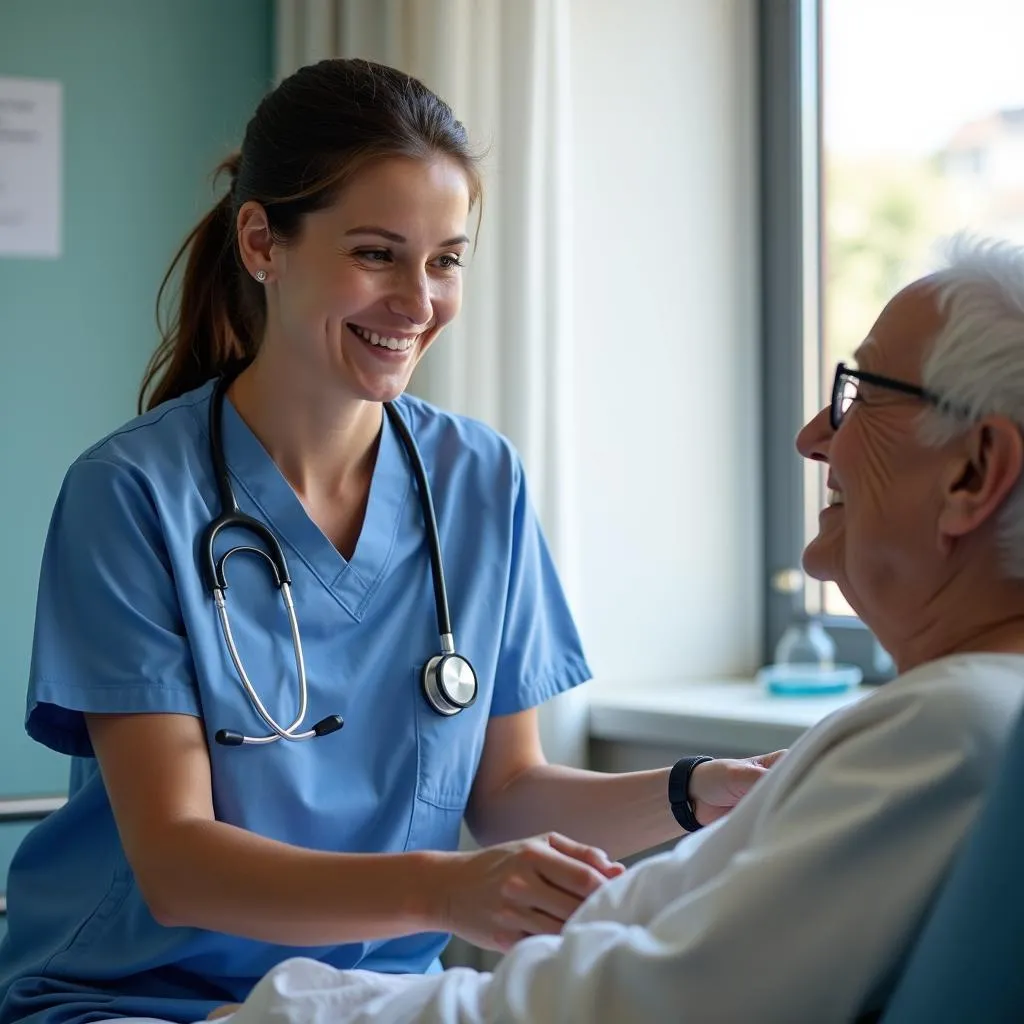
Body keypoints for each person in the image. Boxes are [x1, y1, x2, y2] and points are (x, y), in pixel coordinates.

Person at [0, 58, 780, 1024]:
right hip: (141, 1000)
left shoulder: (476, 480)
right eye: (377, 253)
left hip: (373, 1000)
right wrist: (444, 891)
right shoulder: (130, 498)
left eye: (446, 259)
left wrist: (696, 791)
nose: (419, 302)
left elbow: (504, 791)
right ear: (262, 243)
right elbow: (175, 864)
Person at [191, 237, 1024, 1024]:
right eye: (375, 253)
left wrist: (283, 1012)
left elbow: (631, 1004)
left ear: (974, 472)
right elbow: (629, 931)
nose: (813, 438)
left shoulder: (953, 729)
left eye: (862, 395)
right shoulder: (937, 721)